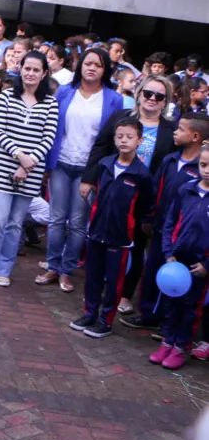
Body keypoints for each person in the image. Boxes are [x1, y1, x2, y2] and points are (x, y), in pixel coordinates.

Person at [83, 74, 177, 313]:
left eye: (159, 95)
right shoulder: (121, 118)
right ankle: (100, 291)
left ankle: (125, 294)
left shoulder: (171, 130)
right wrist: (89, 179)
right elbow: (101, 146)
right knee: (103, 238)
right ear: (139, 94)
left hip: (146, 194)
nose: (152, 99)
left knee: (136, 244)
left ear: (165, 101)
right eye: (148, 93)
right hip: (113, 190)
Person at [37, 47, 124, 293]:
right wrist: (46, 165)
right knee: (56, 219)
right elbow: (50, 129)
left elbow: (109, 140)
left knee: (77, 223)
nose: (91, 68)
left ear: (105, 69)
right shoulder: (65, 92)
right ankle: (53, 266)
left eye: (97, 64)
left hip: (89, 169)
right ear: (80, 65)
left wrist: (95, 175)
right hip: (61, 164)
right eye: (87, 63)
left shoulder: (113, 98)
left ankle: (67, 270)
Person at [0, 51, 59, 285]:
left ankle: (4, 269)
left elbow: (48, 138)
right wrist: (20, 156)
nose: (30, 73)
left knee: (14, 224)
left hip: (31, 173)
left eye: (36, 70)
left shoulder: (50, 103)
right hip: (3, 167)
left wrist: (28, 165)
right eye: (27, 68)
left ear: (44, 74)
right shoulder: (7, 96)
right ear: (20, 69)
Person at [121, 113, 208, 333]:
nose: (175, 133)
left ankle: (169, 324)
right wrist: (150, 216)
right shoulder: (170, 160)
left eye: (180, 129)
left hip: (187, 237)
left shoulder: (203, 167)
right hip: (162, 228)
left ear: (195, 136)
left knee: (181, 278)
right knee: (152, 271)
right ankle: (148, 314)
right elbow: (154, 191)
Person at [69, 118, 154, 338]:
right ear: (114, 138)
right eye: (119, 136)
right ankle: (89, 313)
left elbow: (144, 206)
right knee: (93, 276)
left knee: (114, 281)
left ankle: (105, 320)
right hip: (97, 231)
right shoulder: (105, 164)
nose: (124, 141)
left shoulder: (142, 175)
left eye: (129, 137)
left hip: (120, 237)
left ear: (140, 140)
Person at [151, 141, 209, 368]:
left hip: (199, 265)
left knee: (189, 307)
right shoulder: (186, 190)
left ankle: (180, 347)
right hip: (176, 261)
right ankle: (166, 341)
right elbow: (169, 223)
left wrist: (207, 264)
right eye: (203, 164)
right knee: (169, 302)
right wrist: (168, 253)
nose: (207, 170)